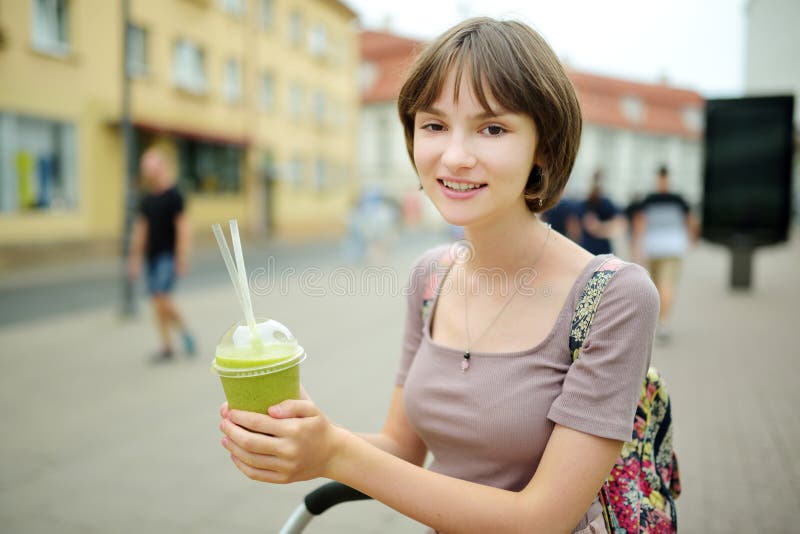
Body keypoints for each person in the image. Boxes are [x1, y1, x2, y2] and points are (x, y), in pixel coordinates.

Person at [218, 18, 658, 533]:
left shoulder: (613, 297)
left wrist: (334, 454)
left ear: (543, 144)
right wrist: (305, 436)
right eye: (433, 125)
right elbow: (402, 450)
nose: (454, 156)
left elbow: (540, 520)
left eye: (492, 128)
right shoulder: (431, 277)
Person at [127, 144, 196, 362]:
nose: (146, 171)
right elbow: (141, 229)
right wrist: (135, 258)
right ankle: (167, 345)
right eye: (144, 167)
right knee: (157, 304)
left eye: (150, 166)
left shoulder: (174, 195)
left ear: (162, 167)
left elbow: (183, 227)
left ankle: (184, 331)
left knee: (161, 297)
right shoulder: (146, 199)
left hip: (168, 256)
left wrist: (182, 256)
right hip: (152, 256)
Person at [634, 165, 699, 342]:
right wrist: (693, 238)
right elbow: (691, 220)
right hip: (673, 247)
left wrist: (638, 247)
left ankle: (660, 321)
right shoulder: (679, 199)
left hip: (654, 247)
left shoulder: (649, 199)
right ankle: (663, 323)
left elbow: (640, 223)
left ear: (658, 179)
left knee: (658, 286)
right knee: (665, 285)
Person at [576, 170, 626, 255]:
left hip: (603, 251)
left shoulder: (606, 203)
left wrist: (599, 227)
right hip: (586, 250)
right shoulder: (583, 204)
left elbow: (621, 224)